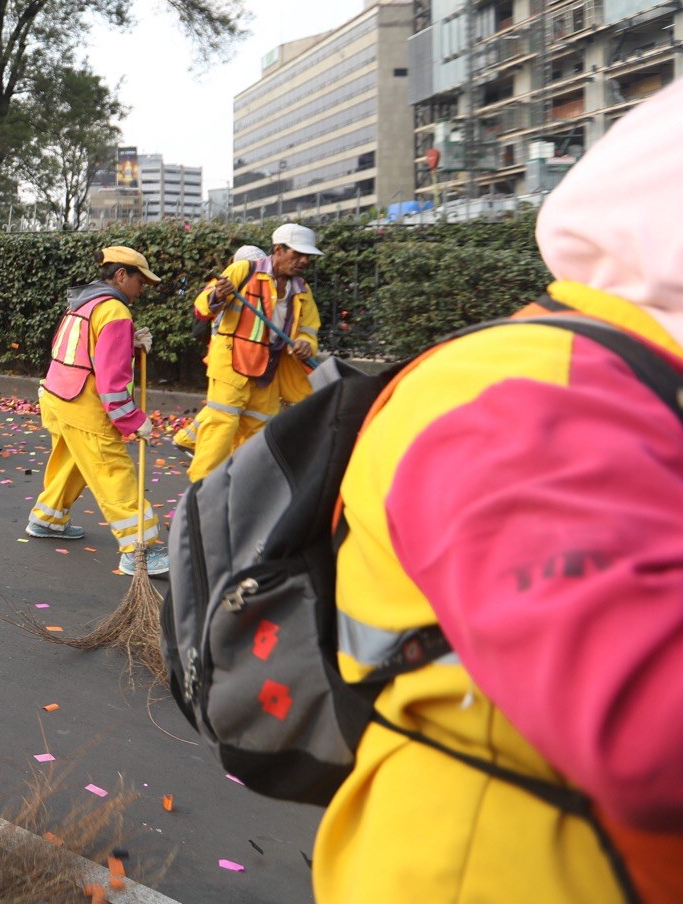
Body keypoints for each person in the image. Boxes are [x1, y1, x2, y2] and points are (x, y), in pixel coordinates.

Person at [315, 80, 683, 903]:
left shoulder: (628, 385)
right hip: (484, 872)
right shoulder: (520, 393)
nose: (302, 267)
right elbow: (644, 723)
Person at [24, 247, 166, 575]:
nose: (142, 288)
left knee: (72, 460)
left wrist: (129, 343)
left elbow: (84, 349)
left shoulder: (85, 301)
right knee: (111, 468)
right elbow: (112, 378)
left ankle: (47, 518)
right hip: (84, 404)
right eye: (139, 280)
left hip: (58, 394)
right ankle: (138, 549)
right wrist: (132, 420)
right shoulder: (115, 310)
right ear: (120, 275)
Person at [185, 223, 322, 482]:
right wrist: (218, 294)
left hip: (268, 374)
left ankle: (239, 495)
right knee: (220, 430)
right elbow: (202, 307)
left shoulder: (302, 290)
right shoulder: (243, 270)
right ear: (278, 250)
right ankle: (198, 498)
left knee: (258, 439)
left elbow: (309, 327)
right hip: (232, 368)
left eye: (307, 256)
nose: (304, 261)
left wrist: (306, 343)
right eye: (298, 254)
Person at [173, 244, 266, 454]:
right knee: (223, 408)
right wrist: (218, 295)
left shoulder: (261, 284)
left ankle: (188, 439)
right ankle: (190, 441)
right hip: (226, 357)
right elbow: (203, 307)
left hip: (243, 359)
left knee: (223, 408)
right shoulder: (227, 280)